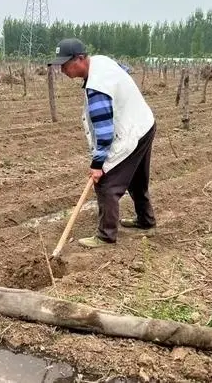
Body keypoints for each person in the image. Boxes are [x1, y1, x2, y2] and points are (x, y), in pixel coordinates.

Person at [48, 38, 157, 248]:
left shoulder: (97, 87)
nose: (62, 70)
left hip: (131, 131)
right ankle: (146, 221)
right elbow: (124, 68)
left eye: (65, 64)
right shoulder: (101, 61)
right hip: (144, 124)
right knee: (136, 178)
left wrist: (98, 165)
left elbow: (104, 132)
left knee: (106, 182)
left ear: (80, 59)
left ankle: (106, 236)